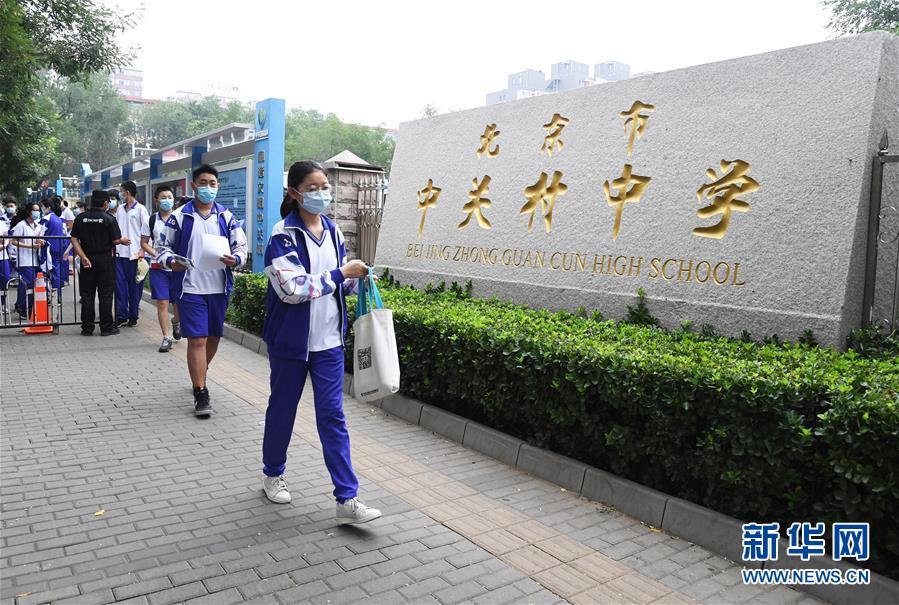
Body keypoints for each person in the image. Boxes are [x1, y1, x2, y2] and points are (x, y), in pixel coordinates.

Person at [259, 160, 380, 525]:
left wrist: (356, 279)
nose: (321, 193)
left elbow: (337, 283)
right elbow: (293, 288)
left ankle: (347, 497)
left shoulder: (333, 230)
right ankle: (272, 473)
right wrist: (341, 273)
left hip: (328, 343)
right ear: (294, 193)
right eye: (312, 188)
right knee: (283, 409)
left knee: (332, 416)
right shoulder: (282, 235)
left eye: (324, 186)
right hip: (290, 343)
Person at [156, 164, 247, 417]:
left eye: (213, 183)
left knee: (213, 337)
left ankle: (200, 371)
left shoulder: (226, 217)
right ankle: (200, 391)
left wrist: (237, 259)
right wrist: (170, 261)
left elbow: (241, 246)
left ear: (218, 186)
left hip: (218, 287)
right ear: (194, 185)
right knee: (197, 339)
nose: (208, 188)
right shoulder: (179, 217)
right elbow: (162, 247)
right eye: (203, 183)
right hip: (190, 288)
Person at [71, 190, 122, 336]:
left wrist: (82, 256)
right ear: (105, 203)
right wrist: (123, 241)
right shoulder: (109, 219)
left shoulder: (80, 218)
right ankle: (106, 328)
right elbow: (116, 240)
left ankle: (87, 328)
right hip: (105, 261)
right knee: (105, 294)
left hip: (87, 261)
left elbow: (74, 239)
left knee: (87, 294)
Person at [141, 185, 182, 352]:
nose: (167, 200)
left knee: (178, 302)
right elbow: (144, 242)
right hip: (158, 267)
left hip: (178, 267)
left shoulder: (180, 218)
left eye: (170, 197)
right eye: (163, 197)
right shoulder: (150, 220)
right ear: (156, 200)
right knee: (162, 302)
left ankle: (177, 322)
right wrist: (156, 254)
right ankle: (166, 337)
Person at [114, 181, 150, 327]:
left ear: (127, 192)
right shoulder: (120, 209)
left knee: (135, 287)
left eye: (121, 191)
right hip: (119, 254)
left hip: (136, 255)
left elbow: (147, 232)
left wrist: (143, 250)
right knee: (120, 286)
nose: (120, 194)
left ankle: (133, 315)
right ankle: (121, 315)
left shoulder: (141, 209)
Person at [11, 202, 46, 319]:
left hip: (35, 259)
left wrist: (41, 242)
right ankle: (22, 308)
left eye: (38, 210)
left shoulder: (38, 225)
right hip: (24, 260)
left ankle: (29, 308)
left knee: (33, 284)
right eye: (35, 210)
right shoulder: (21, 225)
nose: (37, 212)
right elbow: (14, 241)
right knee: (27, 284)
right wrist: (30, 246)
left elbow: (39, 239)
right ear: (29, 212)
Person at [39, 196, 67, 295]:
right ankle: (57, 297)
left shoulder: (46, 218)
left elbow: (40, 233)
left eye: (42, 206)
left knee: (48, 273)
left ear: (48, 207)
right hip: (58, 248)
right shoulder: (58, 219)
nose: (41, 209)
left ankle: (49, 296)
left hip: (48, 249)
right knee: (57, 272)